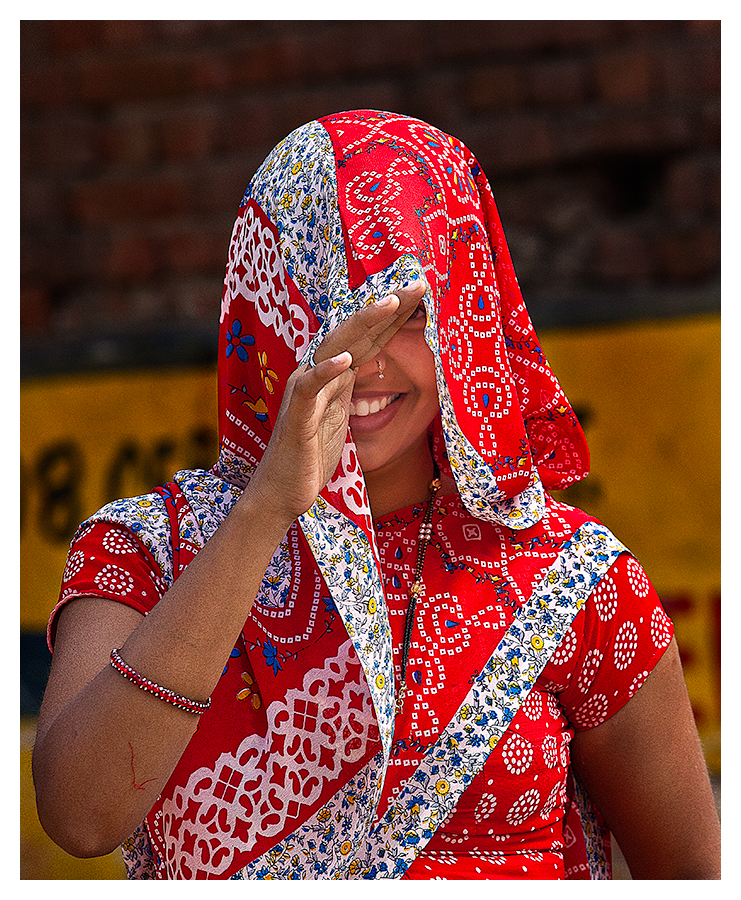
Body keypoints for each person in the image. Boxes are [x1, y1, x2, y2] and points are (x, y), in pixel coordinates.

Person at [33, 109, 720, 880]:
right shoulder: (149, 549)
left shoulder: (574, 581)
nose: (361, 360)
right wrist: (266, 508)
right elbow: (81, 816)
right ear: (262, 318)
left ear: (464, 323)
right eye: (324, 307)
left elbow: (688, 879)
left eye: (409, 314)